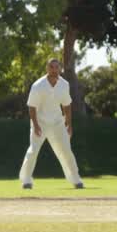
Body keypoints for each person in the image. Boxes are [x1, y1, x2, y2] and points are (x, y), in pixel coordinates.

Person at [18, 58, 84, 190]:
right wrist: (35, 125)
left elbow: (66, 105)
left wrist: (69, 124)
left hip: (58, 123)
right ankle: (26, 181)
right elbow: (32, 107)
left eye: (56, 67)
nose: (54, 70)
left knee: (66, 151)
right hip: (40, 122)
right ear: (47, 69)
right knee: (33, 151)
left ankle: (76, 180)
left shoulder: (64, 84)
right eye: (51, 67)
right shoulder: (38, 85)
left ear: (60, 69)